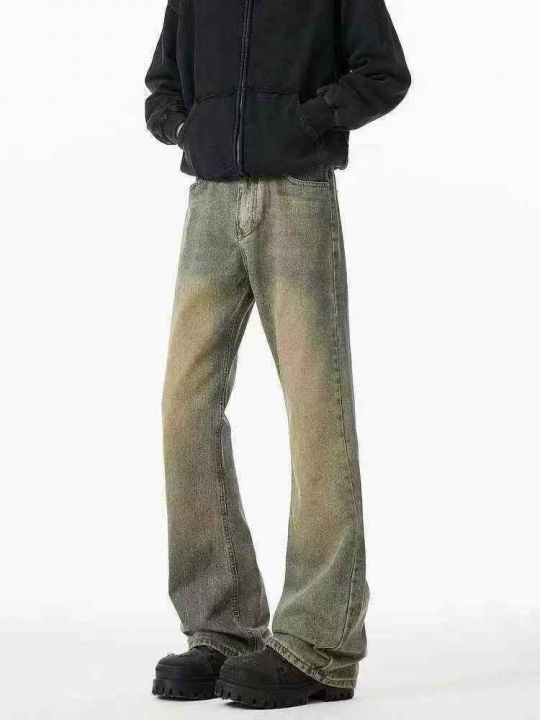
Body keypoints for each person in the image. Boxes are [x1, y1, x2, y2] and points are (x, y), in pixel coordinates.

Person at [145, 0, 410, 708]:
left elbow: (383, 71)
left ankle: (320, 645)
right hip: (209, 201)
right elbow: (161, 84)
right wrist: (186, 128)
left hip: (295, 196)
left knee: (316, 410)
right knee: (184, 407)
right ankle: (223, 626)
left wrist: (306, 121)